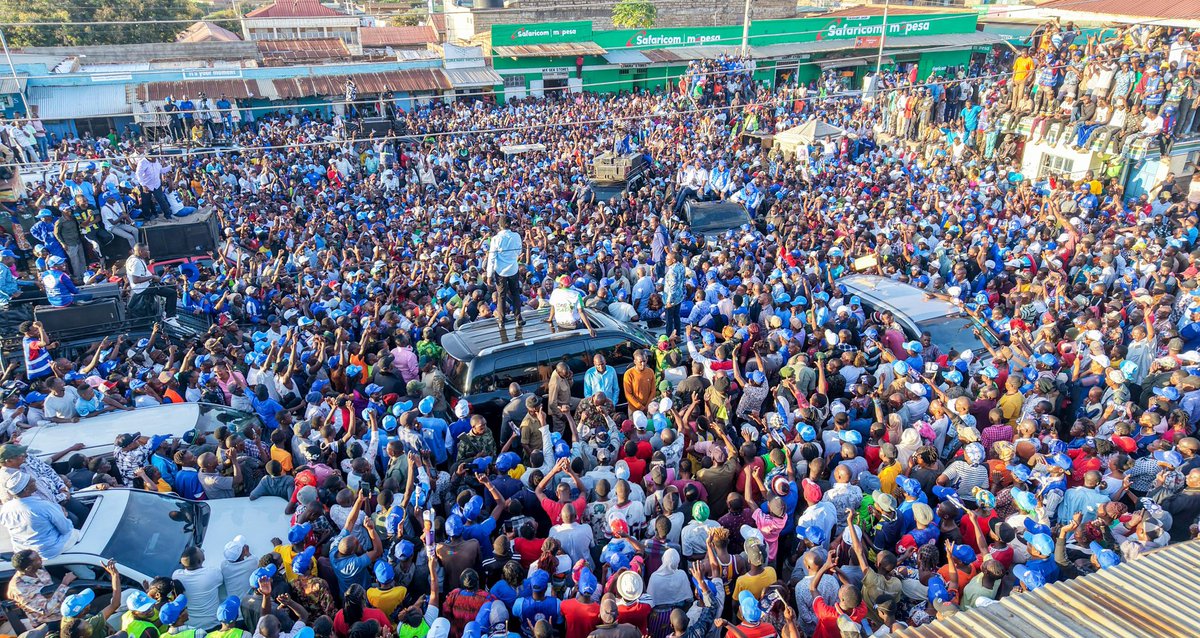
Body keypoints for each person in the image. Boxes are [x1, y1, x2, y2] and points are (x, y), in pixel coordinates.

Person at [0, 471, 74, 558]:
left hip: (23, 551)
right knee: (76, 533)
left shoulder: (5, 508)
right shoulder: (43, 506)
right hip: (49, 550)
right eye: (31, 481)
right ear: (26, 490)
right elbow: (66, 529)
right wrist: (63, 515)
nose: (34, 480)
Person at [126, 243, 179, 323]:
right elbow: (136, 280)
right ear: (140, 251)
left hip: (147, 284)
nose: (148, 252)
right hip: (144, 288)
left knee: (172, 286)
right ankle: (170, 317)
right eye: (146, 250)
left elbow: (141, 272)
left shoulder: (134, 258)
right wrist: (152, 277)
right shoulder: (136, 262)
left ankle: (166, 311)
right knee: (172, 293)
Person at [486, 217, 523, 327]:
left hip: (500, 271)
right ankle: (518, 318)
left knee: (501, 296)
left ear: (500, 226)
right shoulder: (516, 236)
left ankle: (501, 320)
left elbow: (492, 257)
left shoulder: (496, 239)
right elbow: (519, 252)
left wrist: (489, 275)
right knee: (515, 294)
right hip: (513, 269)